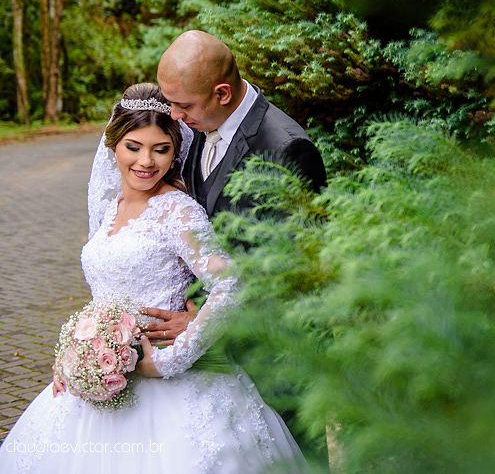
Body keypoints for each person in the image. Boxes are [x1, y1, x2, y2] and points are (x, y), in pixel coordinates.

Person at [0, 84, 305, 473]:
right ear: (113, 145)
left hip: (170, 391)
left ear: (175, 151)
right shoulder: (110, 207)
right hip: (100, 383)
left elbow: (232, 284)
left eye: (161, 149)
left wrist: (170, 360)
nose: (146, 161)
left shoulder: (176, 212)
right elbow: (104, 292)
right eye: (134, 146)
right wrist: (76, 356)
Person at [144, 30, 327, 340]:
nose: (174, 115)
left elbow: (293, 271)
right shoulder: (204, 120)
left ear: (223, 94)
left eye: (183, 105)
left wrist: (204, 322)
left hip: (263, 346)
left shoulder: (287, 149)